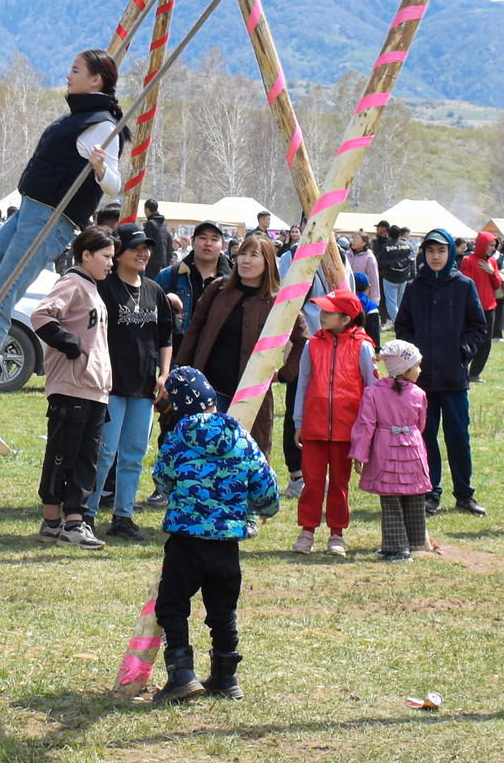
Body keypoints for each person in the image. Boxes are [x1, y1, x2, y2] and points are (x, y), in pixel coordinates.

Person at [0, 49, 124, 401]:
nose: (68, 75)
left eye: (75, 70)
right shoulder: (81, 116)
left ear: (96, 80)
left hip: (50, 219)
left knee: (1, 294)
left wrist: (102, 168)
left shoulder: (104, 125)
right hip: (29, 210)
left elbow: (115, 184)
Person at [148, 366, 277, 702]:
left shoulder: (177, 438)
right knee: (223, 611)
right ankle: (226, 677)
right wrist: (262, 510)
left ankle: (182, 674)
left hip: (186, 542)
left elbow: (161, 480)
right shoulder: (241, 437)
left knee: (173, 605)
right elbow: (266, 489)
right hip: (226, 545)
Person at [29, 225, 116, 550]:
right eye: (106, 256)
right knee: (62, 456)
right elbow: (41, 316)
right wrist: (70, 344)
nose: (110, 262)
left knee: (86, 459)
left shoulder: (93, 288)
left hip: (95, 388)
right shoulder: (72, 283)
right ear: (86, 255)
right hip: (71, 386)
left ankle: (74, 524)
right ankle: (52, 522)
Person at [181, 233, 303, 463]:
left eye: (254, 255)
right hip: (211, 388)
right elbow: (196, 325)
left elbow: (302, 338)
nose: (245, 260)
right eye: (242, 254)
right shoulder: (219, 288)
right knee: (206, 451)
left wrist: (286, 374)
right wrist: (184, 368)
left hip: (251, 392)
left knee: (245, 456)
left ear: (267, 262)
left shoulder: (279, 301)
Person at [396, 227, 488, 516]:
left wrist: (462, 352)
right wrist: (413, 357)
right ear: (423, 253)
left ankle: (464, 494)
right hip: (421, 379)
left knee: (458, 435)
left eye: (441, 251)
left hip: (453, 376)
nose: (436, 257)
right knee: (425, 435)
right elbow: (404, 326)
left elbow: (478, 327)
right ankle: (429, 491)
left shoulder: (464, 285)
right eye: (430, 251)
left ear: (450, 252)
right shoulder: (414, 287)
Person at [94, 227, 171, 542]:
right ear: (120, 252)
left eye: (146, 248)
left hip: (143, 387)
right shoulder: (105, 287)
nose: (143, 253)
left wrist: (164, 373)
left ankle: (123, 516)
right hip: (110, 386)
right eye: (136, 248)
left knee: (134, 453)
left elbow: (165, 336)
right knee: (104, 452)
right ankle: (84, 514)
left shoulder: (154, 290)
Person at [293, 287, 372, 556]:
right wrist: (298, 421)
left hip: (346, 430)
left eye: (329, 311)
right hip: (314, 427)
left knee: (339, 483)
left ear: (347, 318)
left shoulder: (363, 347)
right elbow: (303, 383)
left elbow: (371, 389)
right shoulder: (312, 344)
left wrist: (366, 432)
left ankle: (337, 534)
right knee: (312, 482)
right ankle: (307, 531)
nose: (322, 315)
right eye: (321, 310)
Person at [351, 340, 433, 562]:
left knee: (391, 499)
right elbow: (421, 423)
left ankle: (396, 548)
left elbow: (365, 424)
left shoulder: (374, 393)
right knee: (414, 495)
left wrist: (360, 454)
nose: (420, 370)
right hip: (413, 452)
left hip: (385, 451)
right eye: (417, 366)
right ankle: (413, 541)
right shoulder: (419, 394)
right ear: (405, 369)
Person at [374, 222, 416, 320]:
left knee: (391, 303)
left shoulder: (386, 247)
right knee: (399, 302)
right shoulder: (407, 246)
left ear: (389, 234)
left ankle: (398, 323)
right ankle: (399, 323)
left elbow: (380, 260)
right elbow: (411, 260)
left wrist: (388, 265)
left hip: (389, 278)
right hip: (404, 277)